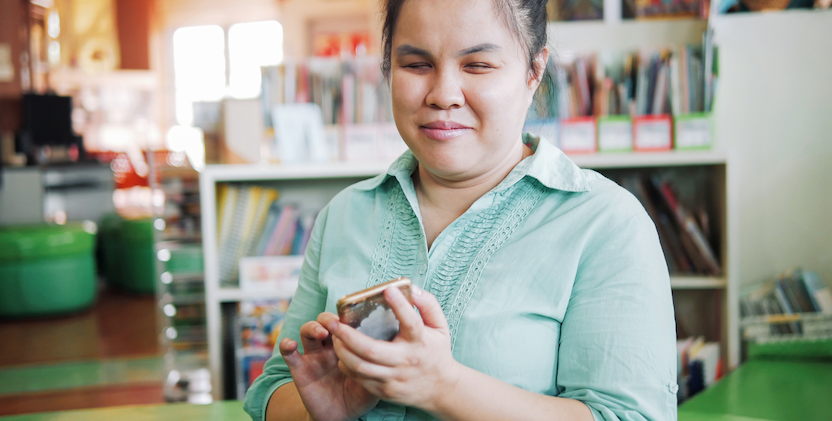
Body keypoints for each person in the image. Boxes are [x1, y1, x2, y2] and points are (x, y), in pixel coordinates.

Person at [244, 0, 677, 419]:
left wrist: (443, 386)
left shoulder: (606, 223)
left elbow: (627, 416)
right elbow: (275, 388)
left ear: (534, 71)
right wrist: (319, 411)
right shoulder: (345, 214)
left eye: (478, 65)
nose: (443, 94)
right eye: (416, 64)